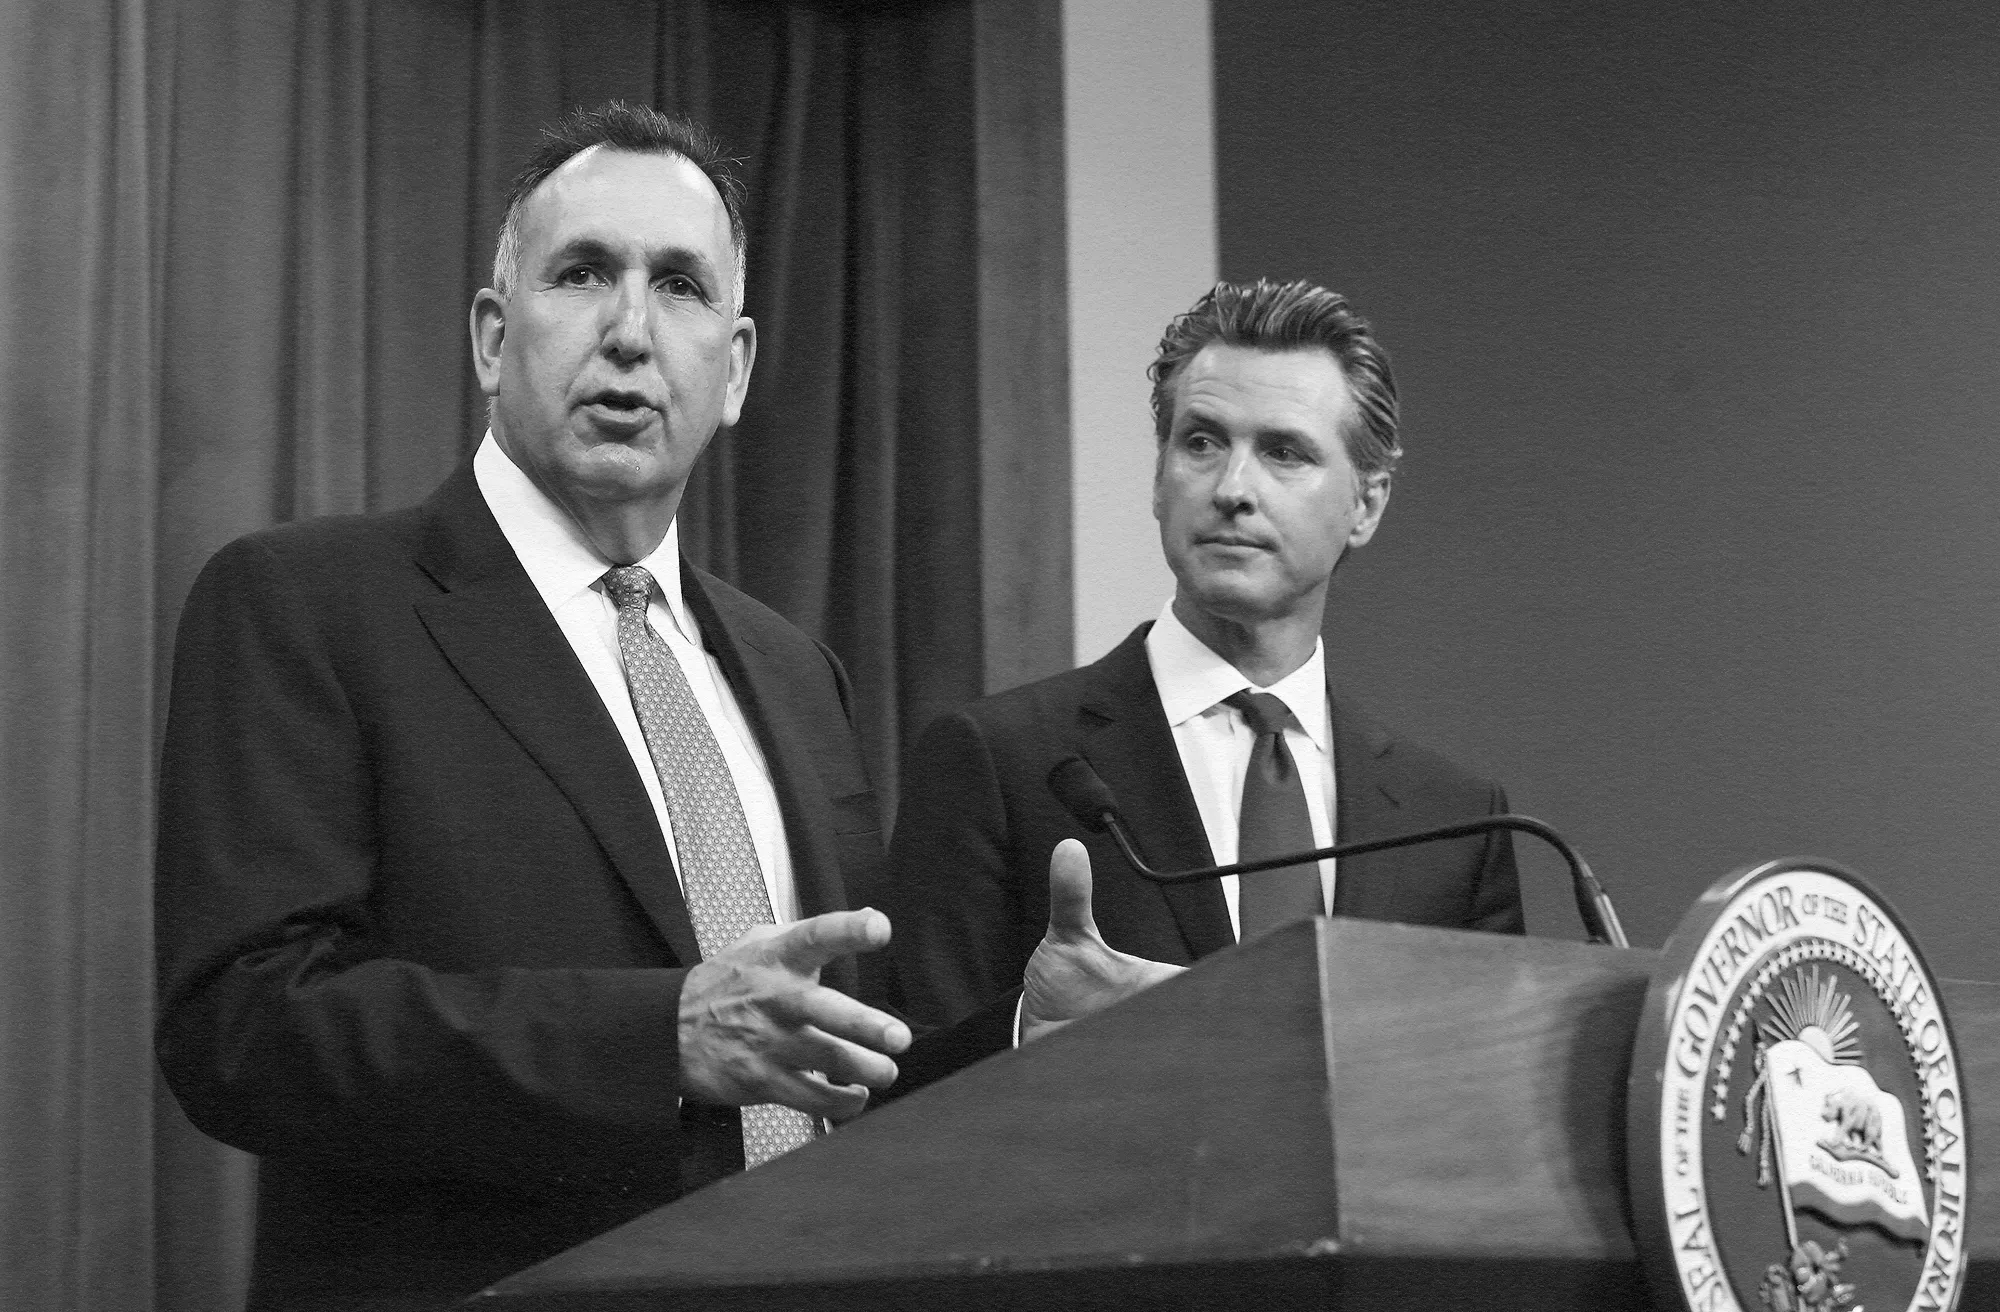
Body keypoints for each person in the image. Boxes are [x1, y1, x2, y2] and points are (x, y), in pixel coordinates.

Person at [152, 102, 1139, 1311]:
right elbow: (245, 1031)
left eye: (678, 286)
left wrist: (1034, 1031)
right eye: (582, 274)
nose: (629, 330)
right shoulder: (307, 602)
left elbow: (826, 1052)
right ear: (490, 336)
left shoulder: (789, 667)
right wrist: (655, 1038)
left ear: (732, 369)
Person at [885, 279, 1525, 1037]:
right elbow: (900, 1075)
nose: (1232, 489)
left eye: (1284, 453)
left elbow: (1490, 1098)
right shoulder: (1002, 764)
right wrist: (1030, 1027)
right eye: (1202, 442)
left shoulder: (1453, 822)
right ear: (1159, 477)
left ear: (1367, 503)